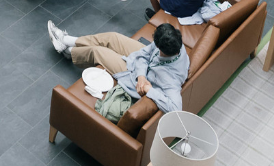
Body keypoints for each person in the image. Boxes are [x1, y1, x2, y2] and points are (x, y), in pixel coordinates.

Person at [46, 22, 189, 116]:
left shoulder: (171, 79)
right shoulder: (174, 41)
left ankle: (68, 52)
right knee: (112, 38)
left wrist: (148, 89)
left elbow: (176, 109)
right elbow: (145, 54)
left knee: (98, 52)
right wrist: (142, 75)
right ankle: (66, 40)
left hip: (131, 74)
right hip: (140, 67)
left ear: (161, 49)